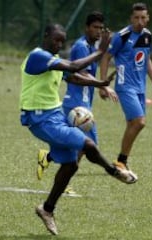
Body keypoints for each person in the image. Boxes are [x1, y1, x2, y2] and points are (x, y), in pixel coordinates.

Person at [19, 23, 136, 235]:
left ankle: (47, 209)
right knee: (88, 144)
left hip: (55, 116)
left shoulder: (52, 61)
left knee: (71, 164)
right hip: (40, 119)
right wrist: (101, 52)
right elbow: (73, 67)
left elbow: (72, 76)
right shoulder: (37, 56)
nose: (59, 44)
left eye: (62, 41)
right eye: (56, 39)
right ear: (45, 36)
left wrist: (99, 84)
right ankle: (113, 170)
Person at [36, 12, 118, 190]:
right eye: (95, 27)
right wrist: (103, 86)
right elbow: (81, 72)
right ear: (87, 28)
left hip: (84, 101)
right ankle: (65, 182)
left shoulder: (90, 46)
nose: (98, 31)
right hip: (75, 102)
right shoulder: (81, 46)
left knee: (83, 145)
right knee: (85, 145)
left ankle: (48, 158)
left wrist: (100, 86)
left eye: (100, 28)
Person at [99, 2, 152, 175]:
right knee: (140, 122)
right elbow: (106, 57)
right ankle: (121, 160)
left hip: (140, 87)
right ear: (131, 18)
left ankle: (121, 162)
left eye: (143, 17)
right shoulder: (122, 35)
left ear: (148, 18)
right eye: (136, 18)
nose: (140, 21)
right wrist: (103, 84)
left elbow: (147, 58)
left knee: (132, 124)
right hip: (125, 86)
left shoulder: (147, 35)